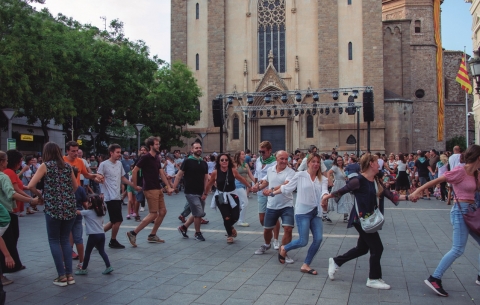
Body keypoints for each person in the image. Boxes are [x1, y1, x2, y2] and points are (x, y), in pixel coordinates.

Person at [321, 153, 408, 290]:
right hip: (360, 219)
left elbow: (391, 195)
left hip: (369, 219)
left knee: (362, 248)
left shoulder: (376, 181)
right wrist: (326, 197)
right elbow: (342, 191)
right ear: (371, 164)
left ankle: (337, 261)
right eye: (376, 162)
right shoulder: (358, 180)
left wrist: (409, 197)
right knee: (377, 248)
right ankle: (373, 279)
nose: (379, 164)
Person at [409, 145, 480, 297]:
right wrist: (416, 191)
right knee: (458, 249)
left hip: (472, 212)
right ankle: (435, 278)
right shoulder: (460, 171)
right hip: (460, 212)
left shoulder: (475, 174)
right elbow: (435, 181)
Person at [28, 142, 78, 287]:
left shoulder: (46, 166)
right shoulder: (67, 166)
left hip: (53, 208)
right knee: (65, 240)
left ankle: (61, 276)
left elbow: (31, 185)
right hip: (69, 208)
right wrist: (66, 196)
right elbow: (75, 187)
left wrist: (41, 196)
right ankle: (70, 274)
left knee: (54, 240)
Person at [273, 153, 328, 275]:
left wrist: (325, 198)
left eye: (318, 162)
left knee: (318, 239)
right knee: (303, 241)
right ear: (308, 163)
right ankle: (284, 248)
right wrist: (272, 192)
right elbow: (287, 188)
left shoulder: (323, 179)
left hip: (316, 212)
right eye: (313, 161)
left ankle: (306, 264)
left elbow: (324, 191)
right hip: (303, 212)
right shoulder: (300, 175)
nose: (316, 164)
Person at [126, 137, 173, 247]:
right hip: (150, 189)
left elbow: (161, 173)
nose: (158, 146)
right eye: (156, 144)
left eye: (158, 144)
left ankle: (152, 235)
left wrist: (168, 186)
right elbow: (134, 171)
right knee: (153, 214)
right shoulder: (145, 157)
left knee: (163, 212)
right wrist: (135, 185)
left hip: (158, 188)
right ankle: (133, 233)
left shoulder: (156, 158)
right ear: (151, 146)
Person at [0, 151, 38, 285]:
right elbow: (13, 193)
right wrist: (32, 200)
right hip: (5, 213)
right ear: (3, 161)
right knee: (7, 241)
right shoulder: (4, 175)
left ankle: (11, 264)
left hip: (6, 211)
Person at [252, 151, 295, 262]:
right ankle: (267, 244)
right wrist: (258, 187)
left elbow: (285, 185)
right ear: (276, 158)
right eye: (282, 158)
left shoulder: (291, 172)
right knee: (267, 230)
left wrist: (271, 190)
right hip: (272, 205)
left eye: (286, 159)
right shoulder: (270, 170)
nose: (284, 161)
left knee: (288, 229)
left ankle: (284, 251)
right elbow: (266, 182)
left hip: (287, 205)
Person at [97, 144, 140, 249]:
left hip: (117, 195)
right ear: (111, 153)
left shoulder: (119, 164)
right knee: (118, 220)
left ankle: (96, 237)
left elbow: (122, 178)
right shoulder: (104, 164)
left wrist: (133, 185)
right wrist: (101, 187)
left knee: (113, 221)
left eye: (120, 152)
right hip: (109, 196)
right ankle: (113, 240)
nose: (119, 154)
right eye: (117, 152)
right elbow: (98, 178)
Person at [204, 153, 250, 243]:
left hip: (233, 194)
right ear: (219, 162)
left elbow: (241, 179)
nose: (224, 161)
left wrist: (249, 186)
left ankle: (230, 226)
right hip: (221, 196)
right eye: (222, 160)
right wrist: (205, 194)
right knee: (226, 217)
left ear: (229, 161)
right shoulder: (215, 172)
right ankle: (229, 235)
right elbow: (209, 184)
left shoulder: (233, 170)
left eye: (226, 160)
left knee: (236, 216)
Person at [174, 142, 209, 241]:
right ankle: (197, 233)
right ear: (192, 150)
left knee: (196, 212)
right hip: (190, 192)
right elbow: (179, 175)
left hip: (200, 192)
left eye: (200, 147)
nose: (199, 149)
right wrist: (173, 187)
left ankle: (183, 227)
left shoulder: (203, 163)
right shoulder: (187, 161)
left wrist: (205, 192)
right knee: (198, 213)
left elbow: (206, 179)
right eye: (196, 148)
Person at [75, 195, 113, 275]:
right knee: (102, 251)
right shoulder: (100, 212)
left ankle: (84, 269)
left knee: (88, 252)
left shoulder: (88, 212)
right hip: (102, 234)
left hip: (93, 235)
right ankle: (108, 266)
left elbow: (77, 212)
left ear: (91, 204)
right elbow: (102, 222)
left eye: (88, 202)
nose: (86, 203)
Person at [253, 141, 280, 249]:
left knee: (273, 216)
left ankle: (276, 239)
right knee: (262, 219)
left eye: (263, 152)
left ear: (269, 151)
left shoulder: (274, 162)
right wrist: (255, 184)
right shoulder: (258, 161)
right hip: (260, 192)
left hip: (272, 192)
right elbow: (257, 174)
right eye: (259, 151)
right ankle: (270, 233)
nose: (261, 154)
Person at [326, 156, 354, 223]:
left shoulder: (342, 168)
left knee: (346, 198)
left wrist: (347, 178)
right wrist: (330, 181)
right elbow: (328, 173)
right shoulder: (335, 167)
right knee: (334, 199)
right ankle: (325, 214)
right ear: (336, 161)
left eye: (341, 160)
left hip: (343, 185)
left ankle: (345, 216)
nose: (340, 162)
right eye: (338, 160)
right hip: (337, 185)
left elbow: (343, 176)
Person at [233, 151, 255, 227]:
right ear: (238, 156)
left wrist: (256, 182)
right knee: (245, 202)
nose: (244, 155)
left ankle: (235, 218)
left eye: (244, 154)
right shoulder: (234, 165)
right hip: (237, 184)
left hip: (244, 184)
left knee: (240, 203)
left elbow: (250, 174)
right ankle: (241, 220)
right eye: (242, 154)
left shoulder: (245, 164)